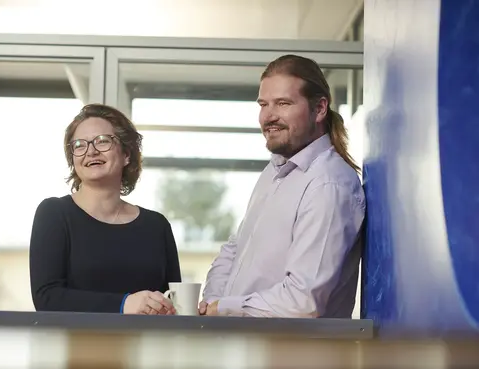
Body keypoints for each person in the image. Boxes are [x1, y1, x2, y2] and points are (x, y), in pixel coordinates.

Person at [199, 55, 365, 318]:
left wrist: (225, 309)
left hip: (291, 355)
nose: (269, 116)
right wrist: (213, 303)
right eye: (263, 104)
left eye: (283, 103)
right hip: (243, 346)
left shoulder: (328, 185)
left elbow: (303, 301)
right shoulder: (274, 170)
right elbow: (235, 249)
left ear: (320, 108)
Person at [30, 104, 181, 314]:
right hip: (75, 345)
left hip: (146, 345)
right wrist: (124, 304)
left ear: (126, 154)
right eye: (80, 145)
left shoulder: (157, 226)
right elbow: (47, 298)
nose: (91, 151)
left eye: (102, 141)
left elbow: (174, 301)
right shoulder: (54, 213)